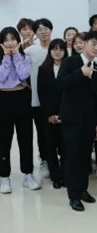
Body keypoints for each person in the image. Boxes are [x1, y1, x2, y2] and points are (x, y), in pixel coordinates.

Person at [57, 30, 97, 211]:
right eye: (93, 44)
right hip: (71, 119)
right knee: (72, 157)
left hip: (88, 120)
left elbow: (96, 98)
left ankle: (83, 189)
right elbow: (60, 83)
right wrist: (80, 73)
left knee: (85, 157)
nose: (96, 48)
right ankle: (73, 196)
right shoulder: (71, 62)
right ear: (84, 43)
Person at [0, 27, 39, 194]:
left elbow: (23, 75)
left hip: (22, 98)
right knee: (3, 140)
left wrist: (15, 55)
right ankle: (4, 177)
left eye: (13, 39)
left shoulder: (25, 57)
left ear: (18, 40)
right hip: (3, 99)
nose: (10, 43)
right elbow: (1, 77)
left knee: (25, 138)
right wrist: (6, 58)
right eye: (6, 39)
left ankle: (28, 174)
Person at [25, 18, 54, 179]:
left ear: (51, 30)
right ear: (35, 33)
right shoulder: (30, 51)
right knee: (42, 131)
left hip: (57, 98)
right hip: (36, 99)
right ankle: (45, 159)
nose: (43, 32)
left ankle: (56, 158)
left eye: (46, 28)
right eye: (40, 29)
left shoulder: (57, 48)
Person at [37, 39, 67, 189]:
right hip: (48, 115)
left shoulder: (70, 68)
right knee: (50, 146)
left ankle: (66, 175)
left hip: (66, 114)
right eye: (54, 49)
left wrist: (62, 114)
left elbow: (71, 93)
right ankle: (55, 176)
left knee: (66, 147)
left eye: (61, 49)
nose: (57, 52)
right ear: (50, 51)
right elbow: (41, 93)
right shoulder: (43, 69)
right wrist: (50, 114)